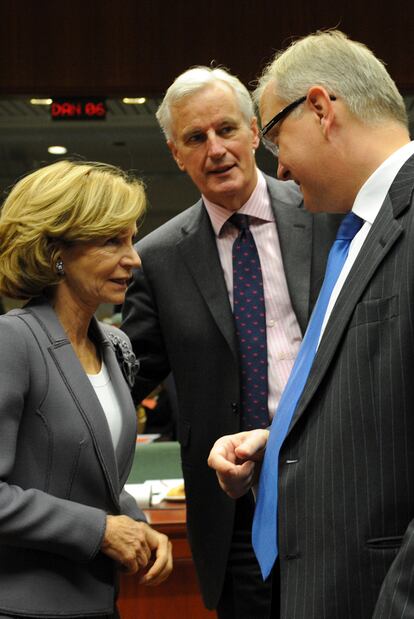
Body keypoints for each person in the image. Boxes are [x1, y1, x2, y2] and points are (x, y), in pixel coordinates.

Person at [208, 29, 414, 618]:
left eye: (273, 135)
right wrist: (286, 447)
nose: (276, 163)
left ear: (321, 109)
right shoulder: (355, 233)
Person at [121, 66, 338, 618]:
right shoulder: (159, 258)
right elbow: (126, 378)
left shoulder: (328, 216)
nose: (215, 149)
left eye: (226, 129)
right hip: (236, 514)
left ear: (254, 131)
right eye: (196, 138)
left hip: (338, 487)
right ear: (175, 152)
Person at [0, 160, 172, 619]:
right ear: (56, 250)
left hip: (99, 603)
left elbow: (95, 477)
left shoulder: (113, 344)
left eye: (132, 238)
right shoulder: (12, 340)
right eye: (112, 241)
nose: (134, 258)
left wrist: (135, 524)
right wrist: (100, 530)